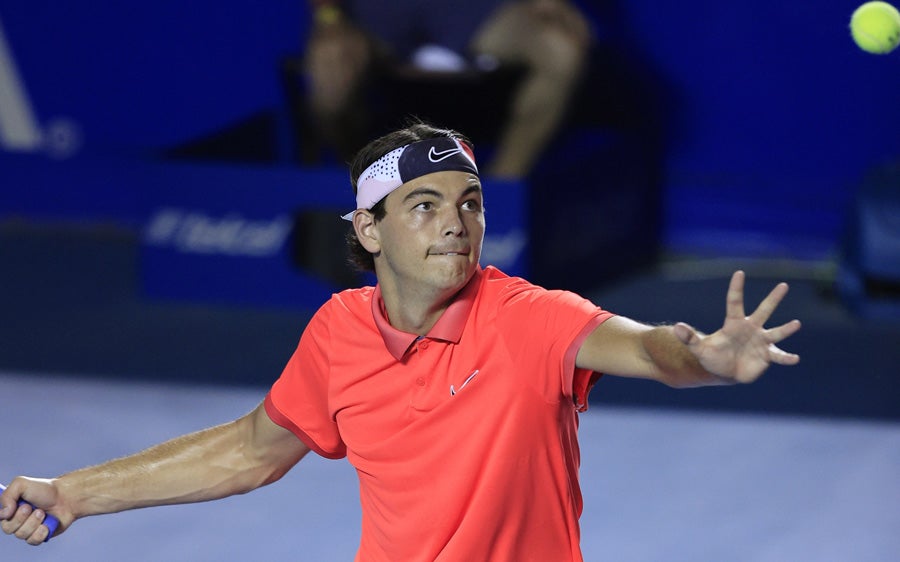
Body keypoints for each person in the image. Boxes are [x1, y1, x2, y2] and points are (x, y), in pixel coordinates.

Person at [1, 122, 802, 560]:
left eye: (471, 201)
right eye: (424, 204)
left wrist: (704, 360)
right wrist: (72, 493)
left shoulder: (530, 316)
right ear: (369, 230)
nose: (457, 221)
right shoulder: (338, 333)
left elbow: (646, 348)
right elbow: (251, 450)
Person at [303, 0, 591, 179]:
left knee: (559, 51)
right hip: (377, 16)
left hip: (473, 11)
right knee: (330, 80)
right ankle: (363, 188)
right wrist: (330, 19)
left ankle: (499, 196)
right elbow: (329, 17)